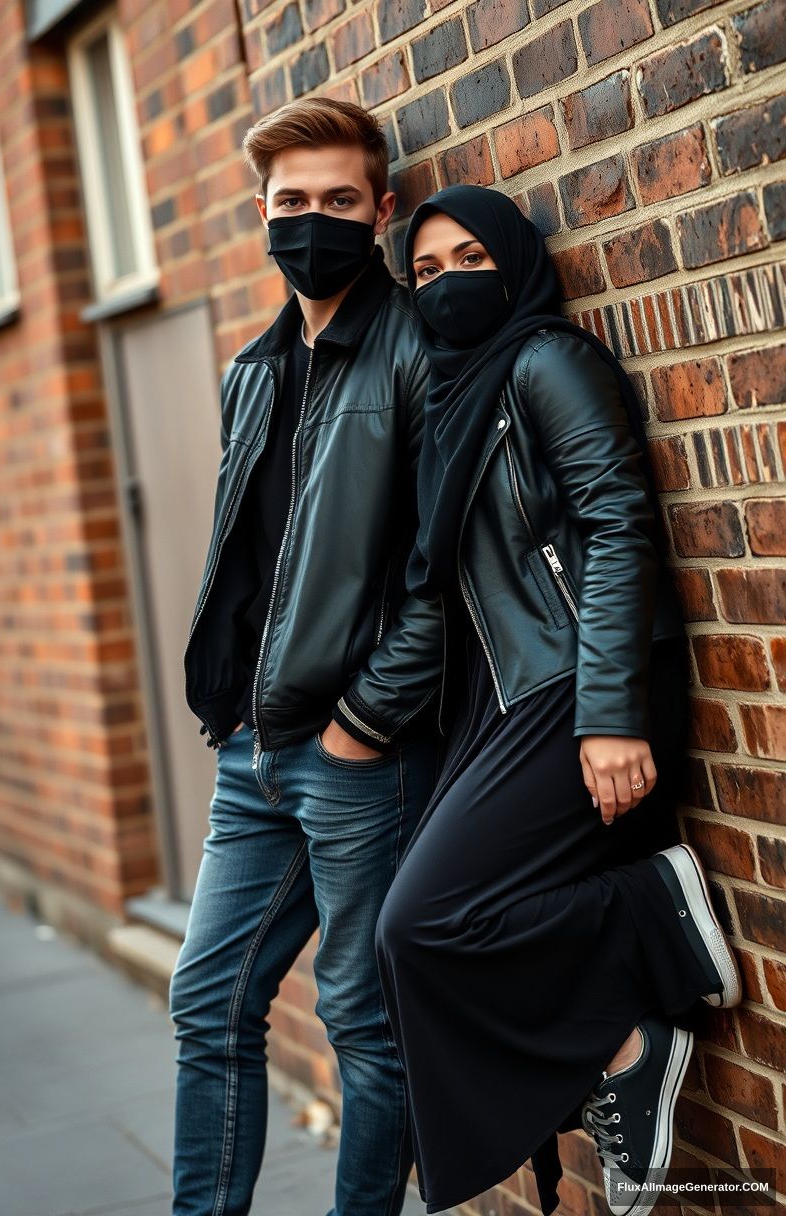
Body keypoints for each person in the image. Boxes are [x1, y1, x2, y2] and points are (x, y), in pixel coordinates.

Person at [373, 184, 743, 1216]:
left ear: (517, 261)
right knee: (410, 936)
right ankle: (626, 989)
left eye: (469, 260)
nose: (447, 285)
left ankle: (645, 949)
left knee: (421, 920)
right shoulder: (450, 400)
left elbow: (617, 522)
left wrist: (610, 711)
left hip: (584, 682)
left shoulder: (544, 361)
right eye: (426, 270)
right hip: (511, 698)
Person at [172, 98, 443, 1216]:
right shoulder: (252, 368)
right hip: (253, 748)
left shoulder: (421, 351)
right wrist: (235, 710)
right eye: (294, 203)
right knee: (207, 1002)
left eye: (340, 201)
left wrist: (366, 718)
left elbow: (447, 567)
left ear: (381, 211)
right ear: (261, 214)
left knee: (362, 1020)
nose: (315, 221)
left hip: (357, 755)